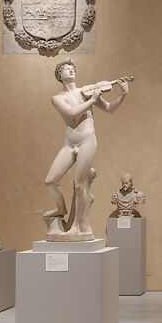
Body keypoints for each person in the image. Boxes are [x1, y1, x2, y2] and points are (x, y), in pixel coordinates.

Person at [43, 60, 130, 240]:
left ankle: (80, 226)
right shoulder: (58, 98)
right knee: (50, 181)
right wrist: (92, 99)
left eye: (73, 68)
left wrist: (124, 94)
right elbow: (72, 113)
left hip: (87, 140)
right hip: (69, 142)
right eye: (66, 68)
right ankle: (61, 209)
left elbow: (109, 108)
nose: (71, 70)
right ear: (59, 75)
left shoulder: (85, 92)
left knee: (80, 184)